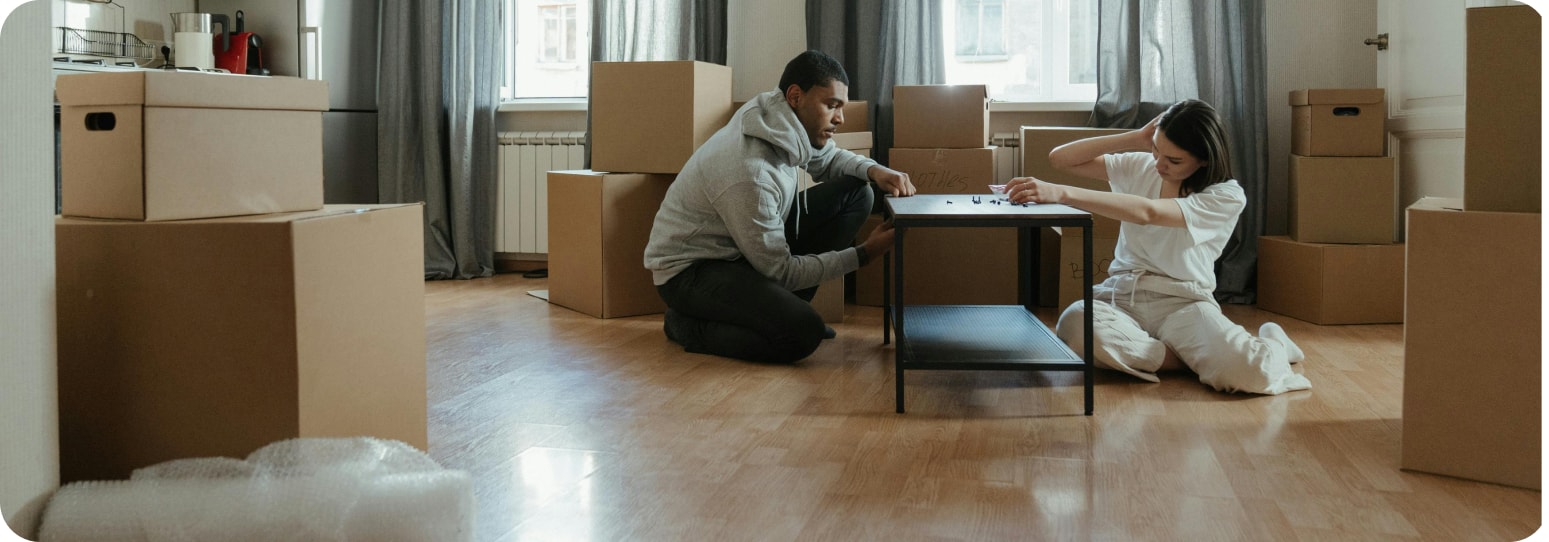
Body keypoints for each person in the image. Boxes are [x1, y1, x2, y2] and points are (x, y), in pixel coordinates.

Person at [1002, 99, 1310, 395]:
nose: (1160, 164)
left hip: (1183, 301)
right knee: (1075, 323)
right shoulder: (1142, 165)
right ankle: (1190, 359)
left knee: (1252, 372)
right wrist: (1135, 138)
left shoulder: (1226, 196)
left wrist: (1062, 193)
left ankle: (1275, 343)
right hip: (1122, 295)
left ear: (1204, 159)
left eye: (1174, 160)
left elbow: (1148, 212)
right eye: (1156, 150)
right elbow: (1060, 158)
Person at [644, 50, 916, 364]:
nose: (840, 118)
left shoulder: (775, 117)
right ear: (796, 96)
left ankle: (783, 311)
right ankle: (686, 325)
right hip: (691, 271)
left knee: (858, 193)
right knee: (801, 334)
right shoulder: (751, 172)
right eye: (831, 105)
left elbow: (827, 158)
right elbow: (780, 271)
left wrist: (875, 170)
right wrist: (865, 254)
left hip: (741, 248)